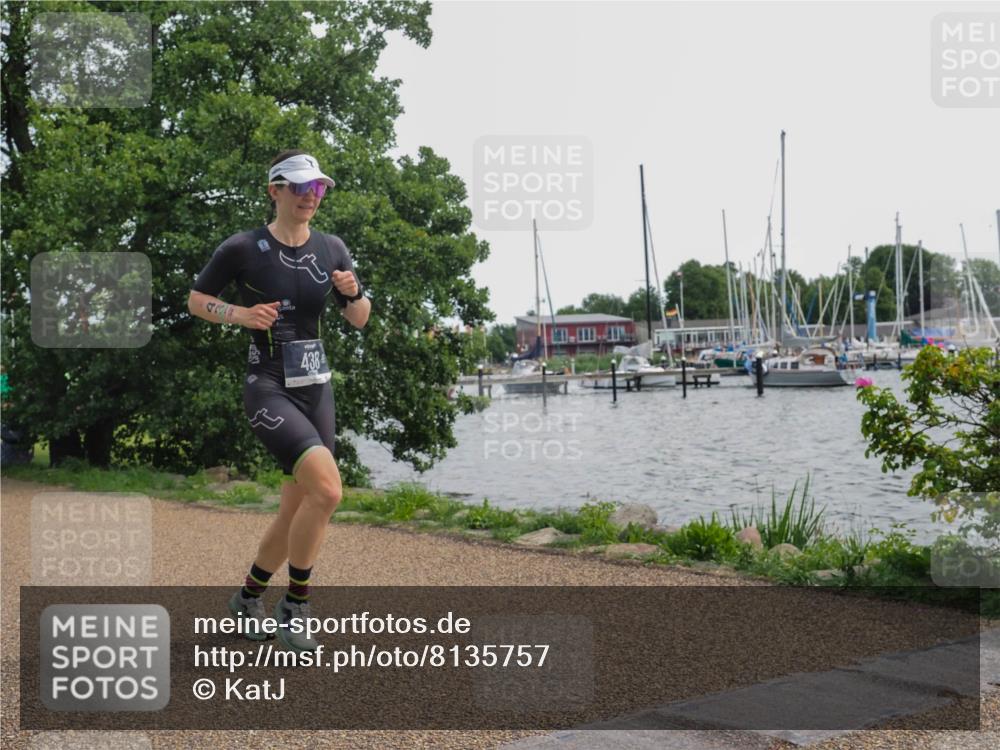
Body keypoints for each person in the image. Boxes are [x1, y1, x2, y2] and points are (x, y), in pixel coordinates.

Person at [188, 150, 370, 652]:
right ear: (274, 190)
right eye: (300, 188)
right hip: (268, 386)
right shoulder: (243, 248)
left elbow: (359, 319)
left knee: (298, 508)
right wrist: (239, 315)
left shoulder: (332, 248)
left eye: (319, 189)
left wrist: (354, 293)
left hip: (317, 388)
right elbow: (196, 299)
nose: (311, 197)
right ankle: (296, 607)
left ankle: (248, 597)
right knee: (329, 493)